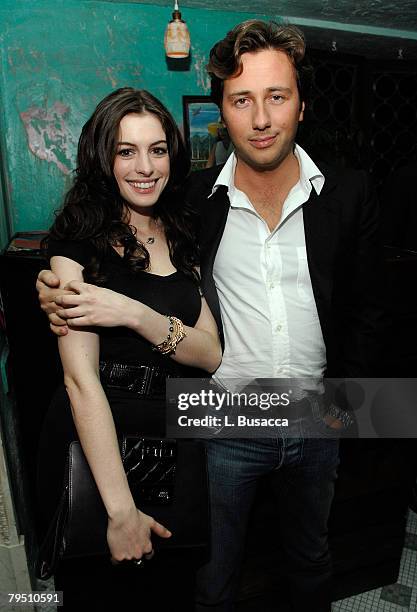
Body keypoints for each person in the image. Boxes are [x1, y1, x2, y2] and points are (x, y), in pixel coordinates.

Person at [37, 20, 384, 612]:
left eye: (277, 96)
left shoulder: (350, 194)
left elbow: (370, 315)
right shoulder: (192, 201)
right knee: (210, 572)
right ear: (222, 112)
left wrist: (351, 413)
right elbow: (118, 259)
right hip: (217, 414)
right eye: (242, 100)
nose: (261, 117)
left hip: (317, 412)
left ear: (301, 105)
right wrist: (59, 288)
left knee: (310, 558)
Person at [36, 87, 221, 611]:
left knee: (172, 587)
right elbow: (80, 380)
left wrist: (134, 315)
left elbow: (209, 354)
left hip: (177, 434)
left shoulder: (184, 231)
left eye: (158, 149)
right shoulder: (77, 243)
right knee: (101, 592)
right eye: (126, 151)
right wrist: (119, 511)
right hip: (99, 442)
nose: (145, 167)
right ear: (103, 157)